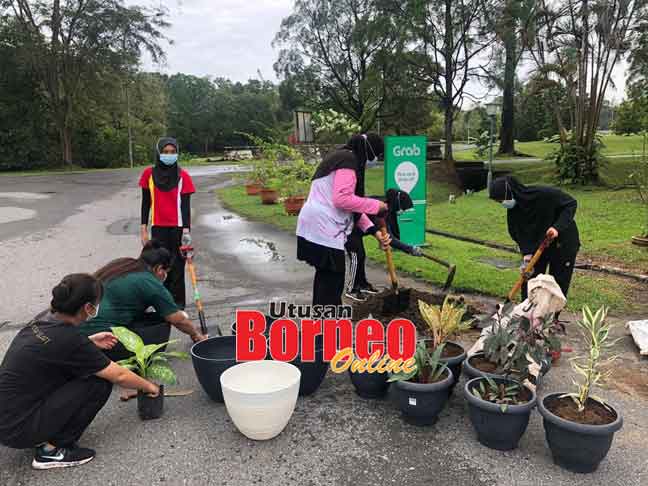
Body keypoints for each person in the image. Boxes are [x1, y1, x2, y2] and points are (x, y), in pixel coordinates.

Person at [0, 274, 160, 470]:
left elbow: (55, 348)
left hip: (8, 417)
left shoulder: (43, 319)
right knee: (98, 383)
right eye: (97, 304)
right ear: (88, 308)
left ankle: (43, 432)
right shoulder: (68, 338)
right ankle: (51, 451)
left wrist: (89, 341)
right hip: (18, 429)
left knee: (78, 370)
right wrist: (149, 386)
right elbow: (119, 375)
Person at [296, 133, 392, 308]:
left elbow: (352, 209)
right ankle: (329, 331)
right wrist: (375, 204)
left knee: (325, 282)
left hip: (316, 227)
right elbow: (342, 199)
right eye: (375, 156)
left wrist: (375, 232)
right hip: (323, 228)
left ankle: (322, 329)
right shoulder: (348, 160)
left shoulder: (340, 156)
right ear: (367, 150)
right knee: (332, 285)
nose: (373, 161)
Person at [81, 240, 208, 363]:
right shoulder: (149, 282)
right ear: (159, 269)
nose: (165, 276)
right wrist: (196, 335)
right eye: (165, 272)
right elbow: (177, 319)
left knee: (155, 314)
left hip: (77, 330)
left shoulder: (123, 265)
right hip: (100, 339)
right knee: (165, 319)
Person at [489, 176, 580, 302]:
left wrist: (556, 228)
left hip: (563, 242)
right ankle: (526, 312)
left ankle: (552, 317)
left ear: (511, 192)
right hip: (538, 247)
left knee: (559, 281)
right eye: (499, 202)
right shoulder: (515, 212)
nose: (503, 204)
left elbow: (570, 204)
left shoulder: (543, 194)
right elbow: (518, 234)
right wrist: (526, 254)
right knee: (529, 278)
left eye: (502, 200)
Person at [139, 137, 195, 309]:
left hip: (177, 228)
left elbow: (185, 206)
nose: (169, 155)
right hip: (158, 227)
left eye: (172, 152)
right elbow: (145, 203)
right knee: (159, 266)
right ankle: (162, 303)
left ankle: (178, 306)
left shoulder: (183, 176)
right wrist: (143, 229)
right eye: (165, 152)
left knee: (177, 267)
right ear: (159, 153)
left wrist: (186, 231)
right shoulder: (148, 174)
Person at [345, 189, 423, 302]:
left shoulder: (388, 209)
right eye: (403, 209)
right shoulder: (380, 208)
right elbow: (389, 238)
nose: (402, 212)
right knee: (356, 257)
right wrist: (410, 249)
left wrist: (408, 248)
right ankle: (351, 289)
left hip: (358, 231)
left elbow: (388, 234)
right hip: (349, 229)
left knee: (361, 256)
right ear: (398, 204)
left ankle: (362, 284)